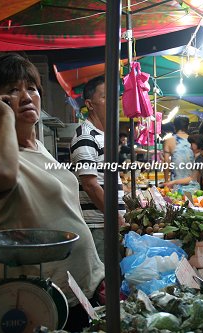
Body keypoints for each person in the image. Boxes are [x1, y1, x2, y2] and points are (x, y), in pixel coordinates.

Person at [0, 54, 104, 331]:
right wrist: (5, 120)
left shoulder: (39, 148)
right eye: (11, 91)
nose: (25, 95)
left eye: (31, 87)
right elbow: (3, 177)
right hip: (40, 298)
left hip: (79, 288)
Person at [70, 76, 126, 262]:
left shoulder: (103, 136)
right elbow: (90, 185)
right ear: (90, 104)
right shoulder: (86, 136)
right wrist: (115, 217)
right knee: (104, 283)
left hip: (106, 223)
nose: (113, 103)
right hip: (99, 225)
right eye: (104, 97)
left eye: (114, 97)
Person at [163, 116, 200, 193]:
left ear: (174, 126)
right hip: (193, 185)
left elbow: (166, 164)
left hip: (176, 185)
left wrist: (166, 182)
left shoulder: (169, 140)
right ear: (188, 126)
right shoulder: (194, 140)